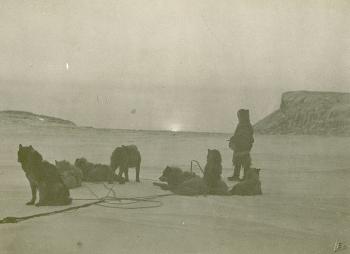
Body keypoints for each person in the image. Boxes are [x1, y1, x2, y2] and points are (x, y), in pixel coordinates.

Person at [228, 109, 254, 181]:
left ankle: (246, 177)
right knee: (237, 161)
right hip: (239, 146)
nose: (238, 117)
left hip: (244, 146)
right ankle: (236, 176)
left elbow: (246, 135)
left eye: (239, 115)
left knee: (245, 163)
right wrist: (234, 139)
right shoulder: (241, 124)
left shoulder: (246, 125)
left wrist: (235, 138)